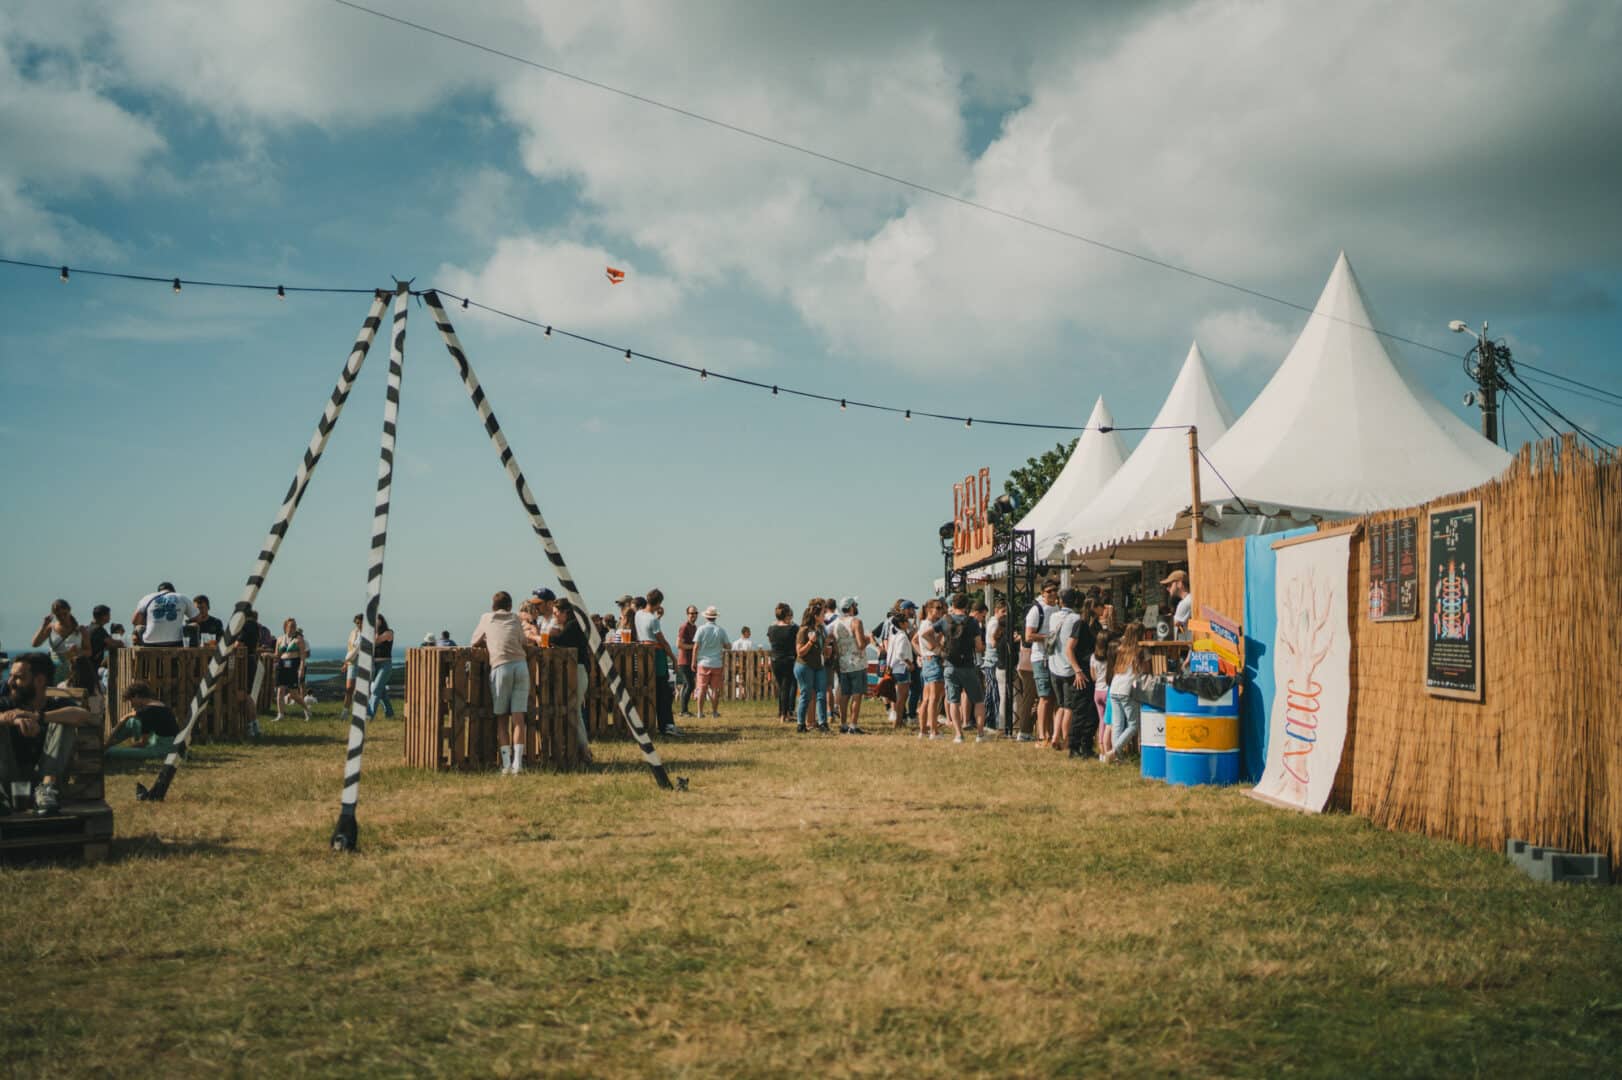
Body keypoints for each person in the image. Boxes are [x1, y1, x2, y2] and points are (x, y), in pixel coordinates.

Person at [1, 652, 95, 815]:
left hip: (45, 783)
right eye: (10, 676)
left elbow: (83, 715)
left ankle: (45, 790)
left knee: (63, 721)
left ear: (39, 681)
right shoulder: (7, 703)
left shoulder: (56, 704)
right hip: (10, 780)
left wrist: (39, 717)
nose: (10, 682)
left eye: (19, 678)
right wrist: (10, 719)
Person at [470, 591, 531, 775]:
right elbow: (523, 641)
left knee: (502, 717)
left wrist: (488, 641)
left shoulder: (487, 618)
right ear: (510, 606)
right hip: (521, 666)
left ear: (493, 606)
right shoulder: (515, 619)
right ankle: (518, 764)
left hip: (501, 666)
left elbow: (474, 641)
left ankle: (506, 764)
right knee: (519, 718)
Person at [939, 593, 990, 743]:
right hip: (968, 665)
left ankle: (958, 734)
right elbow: (979, 647)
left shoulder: (945, 620)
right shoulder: (972, 622)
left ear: (952, 605)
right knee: (979, 700)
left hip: (949, 665)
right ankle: (980, 734)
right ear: (967, 606)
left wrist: (938, 650)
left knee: (954, 701)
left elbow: (926, 634)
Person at [549, 597, 593, 765]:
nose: (554, 617)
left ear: (564, 612)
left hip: (579, 670)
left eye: (555, 613)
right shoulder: (573, 625)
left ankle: (584, 749)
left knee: (575, 710)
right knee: (574, 710)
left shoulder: (573, 626)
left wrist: (546, 635)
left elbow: (560, 641)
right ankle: (581, 749)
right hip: (578, 670)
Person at [637, 588, 681, 737]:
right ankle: (667, 725)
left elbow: (648, 631)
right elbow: (662, 641)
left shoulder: (639, 615)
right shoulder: (653, 619)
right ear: (659, 603)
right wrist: (674, 659)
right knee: (663, 692)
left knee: (652, 690)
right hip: (657, 654)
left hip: (644, 654)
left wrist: (658, 616)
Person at [105, 679, 181, 759]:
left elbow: (143, 743)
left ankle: (106, 748)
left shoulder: (146, 712)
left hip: (164, 749)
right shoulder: (159, 704)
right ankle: (107, 744)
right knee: (132, 722)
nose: (131, 705)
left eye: (131, 701)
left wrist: (129, 748)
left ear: (137, 696)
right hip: (164, 741)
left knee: (111, 752)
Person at [1024, 578, 1061, 743]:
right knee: (1044, 696)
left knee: (1054, 697)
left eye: (1055, 590)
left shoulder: (1058, 608)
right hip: (1041, 657)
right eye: (1049, 591)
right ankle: (1041, 734)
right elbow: (1028, 635)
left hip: (1055, 657)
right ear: (1042, 593)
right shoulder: (1036, 610)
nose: (1053, 593)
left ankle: (1052, 732)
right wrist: (1047, 638)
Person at [1044, 588, 1081, 753]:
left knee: (1059, 705)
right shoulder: (1075, 618)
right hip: (1068, 668)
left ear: (1060, 601)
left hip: (1053, 665)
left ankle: (1054, 737)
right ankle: (1067, 740)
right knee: (1069, 707)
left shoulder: (1053, 617)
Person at [1105, 626, 1149, 764]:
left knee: (1117, 725)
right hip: (1128, 689)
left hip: (1115, 687)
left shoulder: (1121, 649)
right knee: (1133, 725)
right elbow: (1147, 670)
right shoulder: (1141, 650)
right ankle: (1113, 752)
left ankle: (1118, 758)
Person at [829, 597, 869, 735]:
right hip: (857, 663)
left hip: (843, 664)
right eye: (855, 605)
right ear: (851, 607)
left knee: (844, 695)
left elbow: (834, 644)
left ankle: (843, 724)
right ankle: (853, 725)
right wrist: (869, 639)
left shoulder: (836, 623)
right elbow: (861, 644)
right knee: (856, 696)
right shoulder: (856, 622)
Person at [792, 600, 829, 733]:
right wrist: (810, 642)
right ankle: (801, 724)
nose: (824, 616)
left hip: (818, 666)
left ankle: (823, 723)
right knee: (806, 694)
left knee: (821, 694)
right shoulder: (803, 631)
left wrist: (825, 648)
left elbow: (819, 648)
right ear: (815, 616)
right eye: (822, 614)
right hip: (804, 666)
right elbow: (800, 652)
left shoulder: (819, 629)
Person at [31, 598, 85, 685]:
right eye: (58, 615)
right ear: (54, 615)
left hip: (74, 670)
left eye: (64, 614)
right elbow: (35, 644)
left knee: (73, 695)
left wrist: (77, 651)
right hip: (55, 669)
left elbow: (89, 651)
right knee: (55, 694)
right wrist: (44, 625)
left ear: (69, 610)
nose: (62, 617)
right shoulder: (50, 627)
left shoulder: (80, 629)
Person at [914, 598, 946, 739]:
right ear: (929, 609)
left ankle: (923, 730)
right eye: (938, 608)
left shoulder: (924, 624)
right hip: (933, 660)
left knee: (927, 698)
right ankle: (933, 730)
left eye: (941, 608)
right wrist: (940, 645)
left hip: (928, 662)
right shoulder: (928, 625)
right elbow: (932, 644)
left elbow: (915, 640)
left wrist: (921, 654)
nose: (940, 610)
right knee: (934, 698)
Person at [131, 582, 198, 648]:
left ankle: (139, 652)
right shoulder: (182, 597)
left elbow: (135, 621)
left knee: (138, 627)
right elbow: (197, 618)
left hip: (149, 643)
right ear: (173, 591)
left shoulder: (147, 598)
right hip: (177, 642)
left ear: (158, 591)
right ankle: (193, 650)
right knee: (194, 625)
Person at [690, 606, 729, 719]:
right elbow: (727, 645)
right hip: (716, 663)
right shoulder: (720, 630)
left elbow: (696, 646)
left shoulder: (701, 629)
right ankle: (714, 712)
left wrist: (693, 661)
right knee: (715, 689)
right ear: (715, 617)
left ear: (706, 617)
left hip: (703, 663)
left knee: (702, 688)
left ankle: (700, 712)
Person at [766, 604, 798, 723]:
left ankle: (781, 712)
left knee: (781, 687)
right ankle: (785, 715)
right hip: (788, 659)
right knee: (786, 687)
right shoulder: (793, 628)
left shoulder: (771, 628)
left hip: (775, 659)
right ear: (787, 614)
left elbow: (770, 640)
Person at [884, 607, 915, 731]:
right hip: (901, 669)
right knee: (902, 698)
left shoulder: (894, 635)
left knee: (897, 697)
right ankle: (898, 722)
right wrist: (909, 663)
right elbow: (900, 654)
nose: (908, 623)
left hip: (893, 668)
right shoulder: (902, 636)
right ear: (902, 624)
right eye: (906, 621)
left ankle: (898, 720)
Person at [237, 608, 266, 737]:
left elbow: (239, 643)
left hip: (246, 662)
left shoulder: (247, 625)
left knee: (245, 694)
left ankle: (251, 726)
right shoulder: (256, 627)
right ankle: (254, 725)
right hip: (252, 659)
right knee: (249, 694)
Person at [274, 618, 309, 722]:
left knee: (293, 694)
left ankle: (307, 709)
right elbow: (277, 655)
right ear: (285, 627)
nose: (293, 628)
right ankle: (280, 714)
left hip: (293, 666)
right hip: (282, 665)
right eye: (291, 626)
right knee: (280, 691)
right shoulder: (280, 639)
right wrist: (268, 655)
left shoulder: (299, 639)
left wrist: (301, 669)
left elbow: (303, 657)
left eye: (294, 626)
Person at [984, 598, 1010, 735]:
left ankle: (990, 722)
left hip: (991, 660)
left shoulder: (993, 622)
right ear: (996, 611)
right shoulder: (995, 624)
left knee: (991, 692)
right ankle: (993, 722)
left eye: (1006, 611)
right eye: (1002, 611)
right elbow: (994, 642)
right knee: (994, 694)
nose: (1005, 614)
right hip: (993, 660)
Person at [366, 614, 395, 719]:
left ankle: (369, 715)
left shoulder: (389, 632)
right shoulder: (373, 633)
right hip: (375, 666)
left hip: (385, 665)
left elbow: (375, 641)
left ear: (381, 621)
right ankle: (390, 714)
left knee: (375, 689)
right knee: (381, 692)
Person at [1091, 633, 1113, 762]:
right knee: (1109, 721)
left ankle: (1101, 749)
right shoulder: (1110, 658)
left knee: (1101, 720)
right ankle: (1108, 748)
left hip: (1097, 691)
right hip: (1107, 691)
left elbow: (1093, 676)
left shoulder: (1093, 657)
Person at [675, 604, 699, 718]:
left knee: (686, 685)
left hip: (691, 660)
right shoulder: (684, 627)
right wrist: (693, 647)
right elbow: (679, 644)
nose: (693, 615)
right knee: (690, 685)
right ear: (687, 614)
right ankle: (683, 711)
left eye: (695, 613)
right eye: (691, 613)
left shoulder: (694, 627)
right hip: (684, 661)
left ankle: (684, 710)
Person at [342, 614, 363, 713]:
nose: (359, 624)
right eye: (357, 623)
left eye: (361, 622)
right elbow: (349, 648)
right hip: (353, 661)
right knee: (349, 688)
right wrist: (346, 663)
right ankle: (345, 712)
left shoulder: (370, 633)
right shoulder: (353, 633)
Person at [1163, 570, 1194, 637]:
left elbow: (1171, 625)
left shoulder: (1184, 603)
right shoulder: (1192, 598)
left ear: (1179, 584)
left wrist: (1168, 619)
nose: (1167, 588)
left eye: (1170, 585)